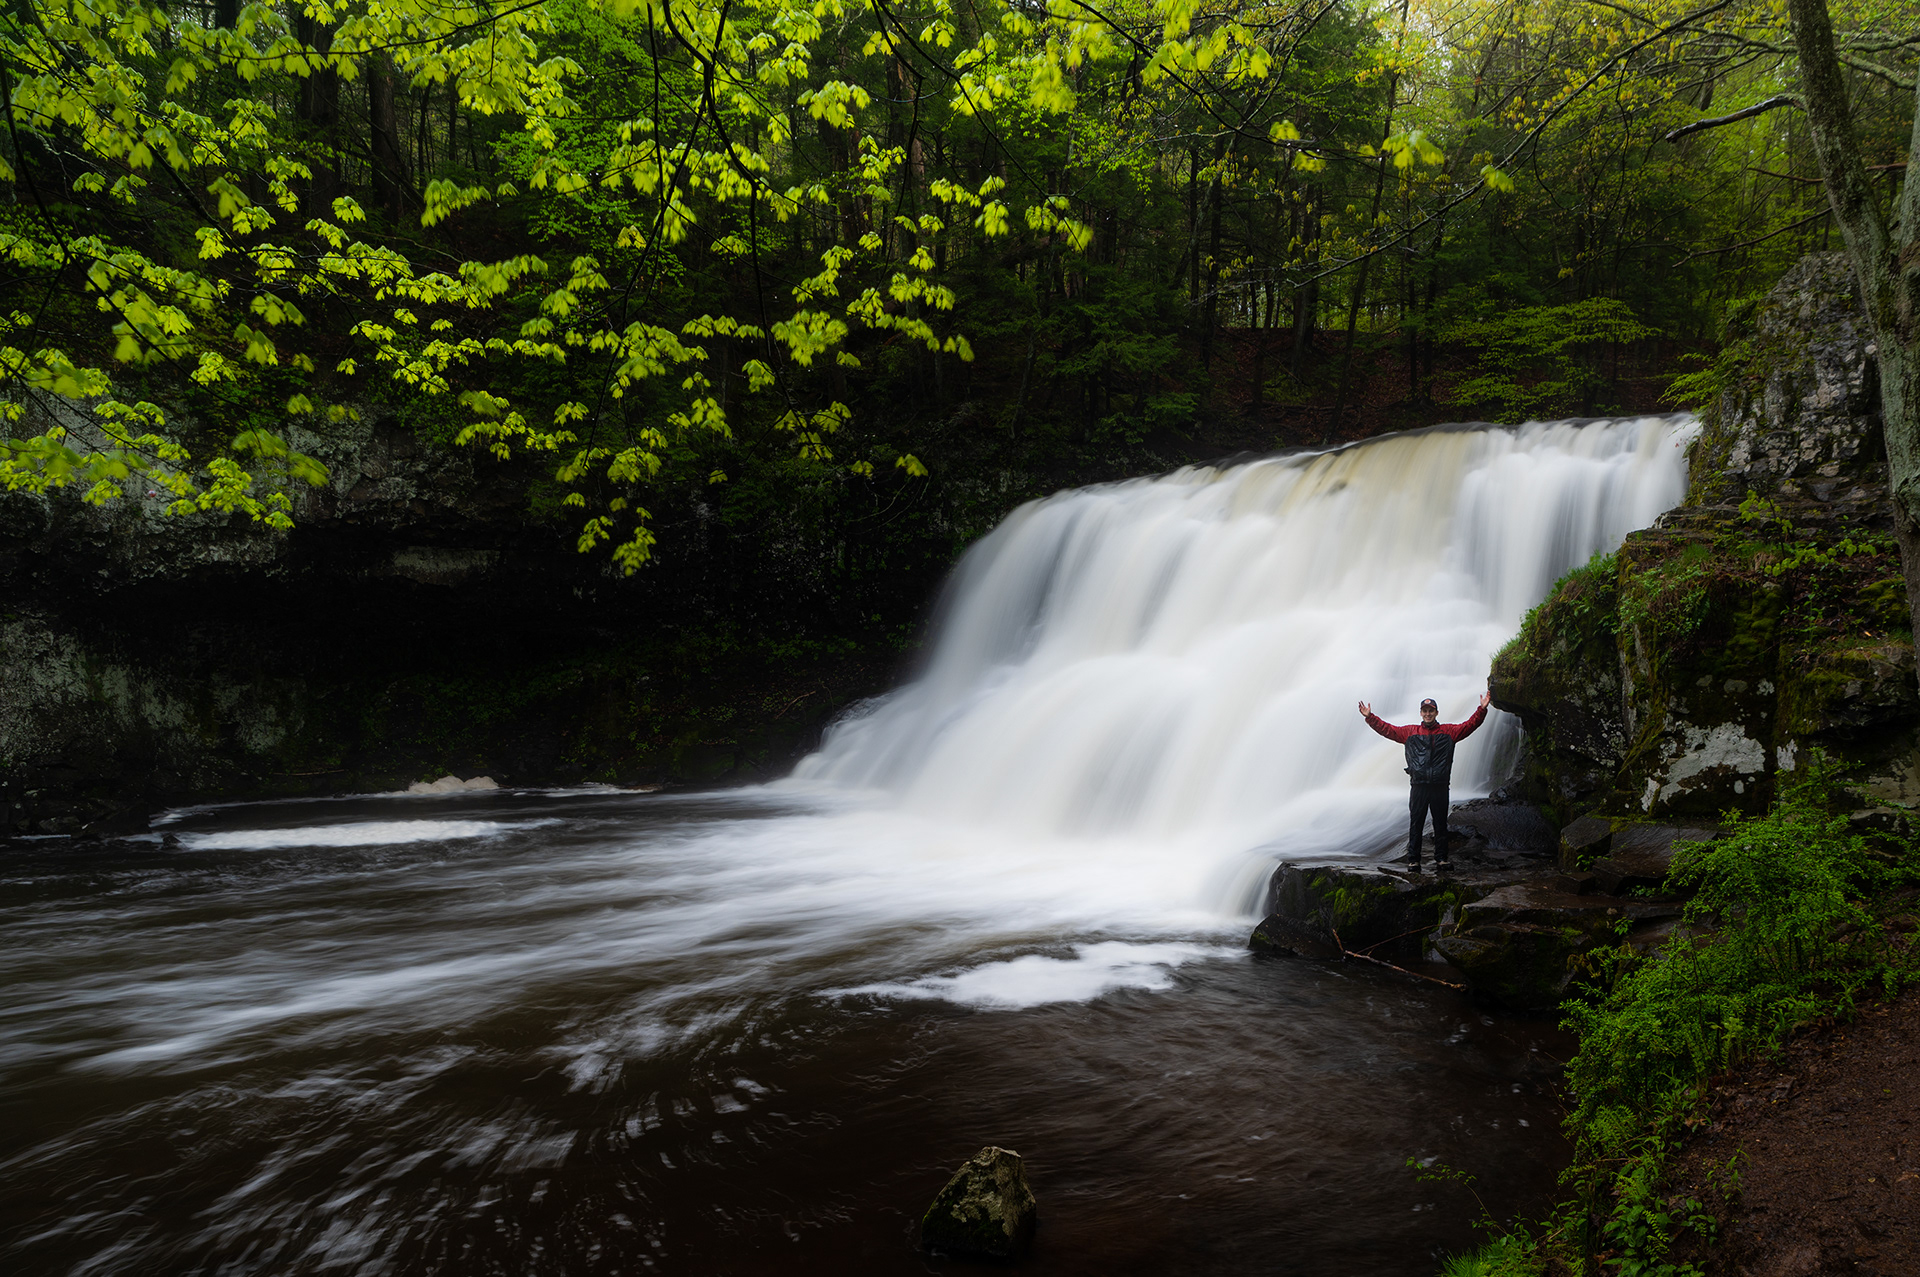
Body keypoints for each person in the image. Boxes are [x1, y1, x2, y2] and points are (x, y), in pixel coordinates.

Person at [1357, 691, 1491, 872]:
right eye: (1425, 711)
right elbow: (1387, 730)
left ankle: (1441, 859)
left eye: (1431, 711)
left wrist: (1482, 709)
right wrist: (1370, 717)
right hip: (1418, 786)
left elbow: (1470, 725)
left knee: (1440, 824)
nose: (1428, 714)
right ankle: (1414, 860)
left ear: (1436, 713)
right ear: (1421, 713)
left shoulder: (1449, 732)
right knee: (1416, 823)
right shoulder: (1410, 732)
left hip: (1440, 786)